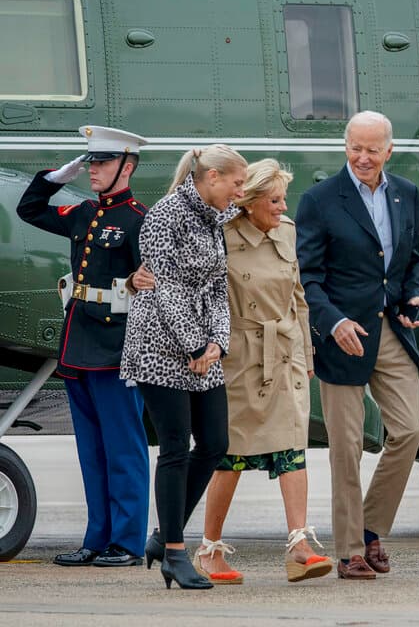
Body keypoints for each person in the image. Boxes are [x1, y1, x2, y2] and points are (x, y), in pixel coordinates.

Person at [295, 110, 419, 580]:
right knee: (346, 448)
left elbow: (414, 260)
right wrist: (333, 323)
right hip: (342, 336)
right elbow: (307, 277)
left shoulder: (406, 193)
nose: (363, 157)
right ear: (345, 146)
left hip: (391, 330)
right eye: (356, 148)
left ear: (389, 150)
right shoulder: (319, 200)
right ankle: (351, 550)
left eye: (372, 149)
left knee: (409, 430)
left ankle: (370, 527)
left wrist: (415, 295)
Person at [189, 158, 332, 584]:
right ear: (249, 202)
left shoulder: (287, 232)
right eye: (274, 200)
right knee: (231, 456)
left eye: (283, 199)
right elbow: (201, 296)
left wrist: (307, 355)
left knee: (293, 448)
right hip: (239, 358)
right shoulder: (222, 235)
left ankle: (299, 546)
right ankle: (209, 549)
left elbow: (298, 298)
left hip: (284, 354)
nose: (283, 207)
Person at [16, 125, 150, 568]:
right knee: (92, 453)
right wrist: (53, 178)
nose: (93, 169)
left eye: (103, 162)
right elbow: (29, 210)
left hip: (116, 348)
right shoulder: (84, 212)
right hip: (78, 346)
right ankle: (97, 538)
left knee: (123, 450)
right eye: (91, 161)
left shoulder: (139, 219)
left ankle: (127, 542)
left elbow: (152, 289)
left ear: (126, 167)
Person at [120, 144, 248, 589]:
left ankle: (162, 536)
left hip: (200, 346)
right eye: (236, 183)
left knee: (214, 442)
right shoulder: (165, 215)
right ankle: (175, 553)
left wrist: (217, 343)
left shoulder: (215, 218)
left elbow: (217, 287)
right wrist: (195, 345)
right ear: (212, 177)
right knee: (175, 445)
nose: (240, 192)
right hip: (158, 344)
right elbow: (166, 288)